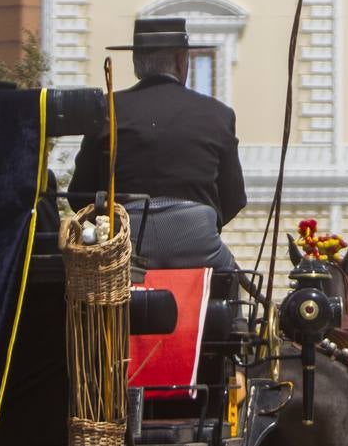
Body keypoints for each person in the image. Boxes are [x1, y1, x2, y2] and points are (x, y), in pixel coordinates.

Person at [68, 18, 247, 269]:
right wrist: (197, 224)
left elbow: (79, 194)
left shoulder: (106, 110)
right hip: (197, 245)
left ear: (136, 63)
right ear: (180, 60)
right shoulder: (218, 114)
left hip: (125, 248)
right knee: (235, 286)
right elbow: (234, 198)